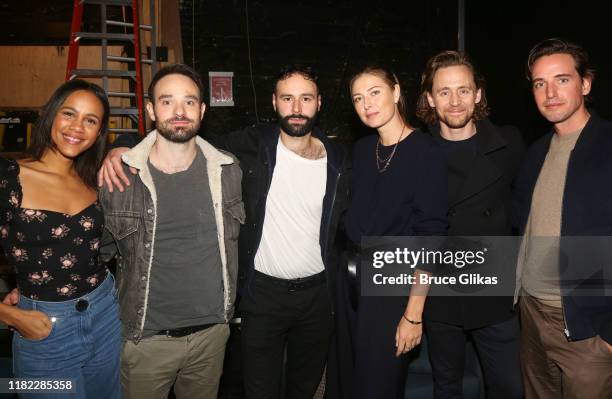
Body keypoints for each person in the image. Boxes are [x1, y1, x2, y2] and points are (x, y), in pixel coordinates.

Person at [97, 65, 350, 399]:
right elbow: (180, 132)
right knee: (259, 388)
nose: (297, 107)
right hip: (262, 295)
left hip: (317, 296)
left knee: (305, 386)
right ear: (275, 102)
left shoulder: (341, 159)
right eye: (288, 98)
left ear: (320, 103)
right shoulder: (251, 146)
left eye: (306, 98)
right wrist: (123, 144)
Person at [98, 64, 244, 399]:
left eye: (189, 102)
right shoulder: (119, 178)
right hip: (145, 342)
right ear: (150, 110)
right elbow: (94, 255)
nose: (179, 112)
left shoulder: (229, 170)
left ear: (202, 110)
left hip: (212, 337)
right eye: (167, 102)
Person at [0, 79, 120, 398]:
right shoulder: (8, 177)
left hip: (106, 312)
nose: (77, 127)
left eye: (90, 120)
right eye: (69, 113)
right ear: (50, 115)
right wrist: (9, 315)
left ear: (98, 134)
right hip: (45, 331)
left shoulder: (92, 180)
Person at [415, 50, 524, 398]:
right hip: (441, 296)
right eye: (444, 92)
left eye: (464, 90)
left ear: (478, 94)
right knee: (446, 386)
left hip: (495, 294)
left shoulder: (509, 144)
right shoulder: (418, 152)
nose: (455, 101)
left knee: (509, 387)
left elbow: (527, 213)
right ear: (431, 99)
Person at [513, 38, 612, 398]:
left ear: (585, 84)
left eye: (562, 80)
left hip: (588, 328)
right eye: (540, 83)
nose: (550, 92)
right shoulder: (536, 151)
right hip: (532, 314)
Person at [344, 66, 448, 399]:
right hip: (350, 283)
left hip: (393, 287)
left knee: (381, 385)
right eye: (358, 98)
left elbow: (431, 237)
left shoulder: (426, 152)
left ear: (396, 92)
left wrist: (413, 315)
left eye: (375, 92)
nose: (367, 104)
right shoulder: (361, 150)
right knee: (351, 381)